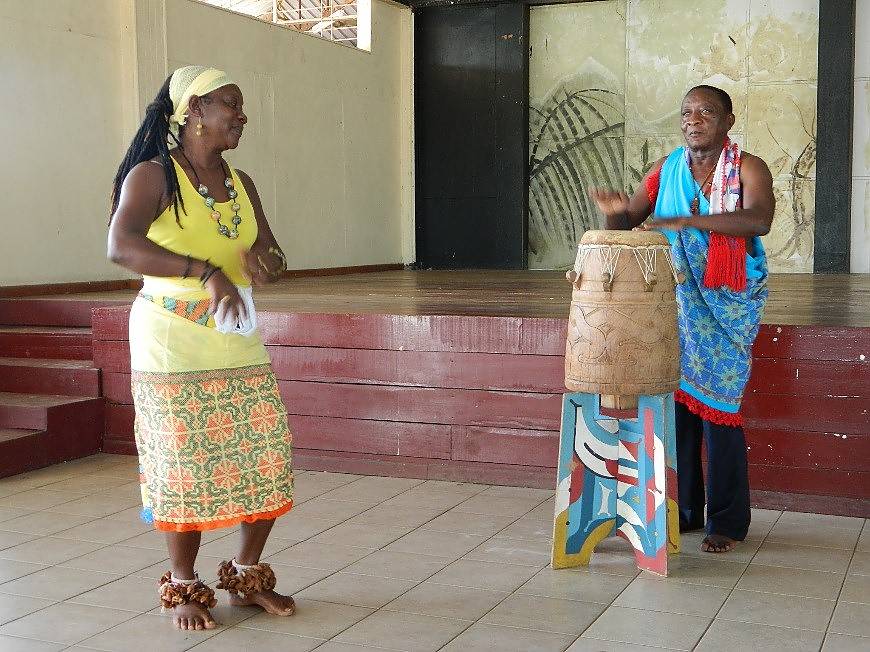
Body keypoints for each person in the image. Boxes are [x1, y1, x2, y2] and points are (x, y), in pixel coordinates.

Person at [108, 66, 296, 630]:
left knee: (265, 452)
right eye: (229, 105)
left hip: (234, 334)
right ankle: (184, 587)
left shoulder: (242, 183)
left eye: (240, 106)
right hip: (172, 339)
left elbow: (266, 244)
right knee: (184, 464)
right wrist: (204, 271)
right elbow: (120, 245)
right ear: (193, 111)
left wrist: (270, 264)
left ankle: (245, 574)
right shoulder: (153, 176)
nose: (241, 116)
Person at [590, 85, 774, 553]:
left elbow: (758, 219)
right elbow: (631, 220)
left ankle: (728, 522)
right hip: (675, 303)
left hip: (727, 305)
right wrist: (614, 215)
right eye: (687, 112)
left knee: (722, 412)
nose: (694, 119)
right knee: (681, 411)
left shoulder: (748, 167)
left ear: (728, 120)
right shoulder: (665, 171)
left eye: (706, 112)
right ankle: (687, 512)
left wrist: (688, 224)